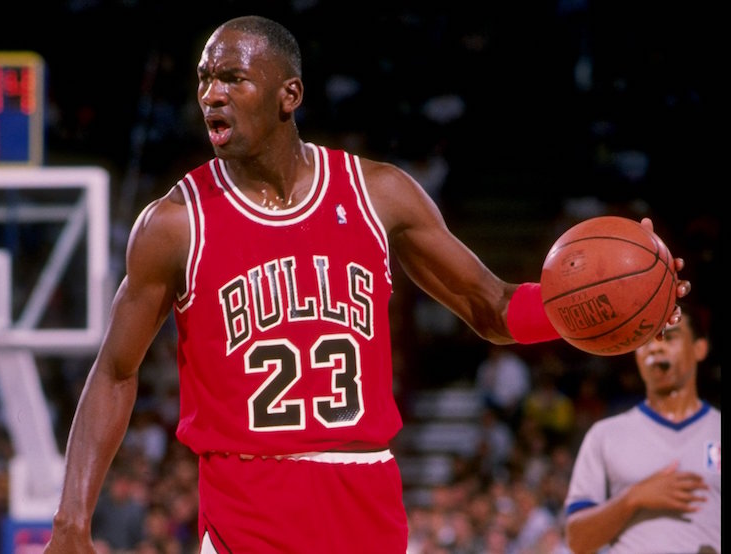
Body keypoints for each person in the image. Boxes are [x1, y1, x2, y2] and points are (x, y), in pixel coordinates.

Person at [43, 15, 690, 554]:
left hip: (367, 504)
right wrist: (73, 516)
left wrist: (608, 304)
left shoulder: (378, 194)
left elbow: (490, 306)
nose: (211, 93)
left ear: (287, 95)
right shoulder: (174, 224)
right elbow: (116, 371)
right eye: (205, 79)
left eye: (233, 78)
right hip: (246, 511)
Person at [564, 302, 719, 554]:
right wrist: (633, 497)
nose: (656, 347)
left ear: (699, 348)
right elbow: (577, 541)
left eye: (669, 337)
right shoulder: (604, 435)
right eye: (645, 340)